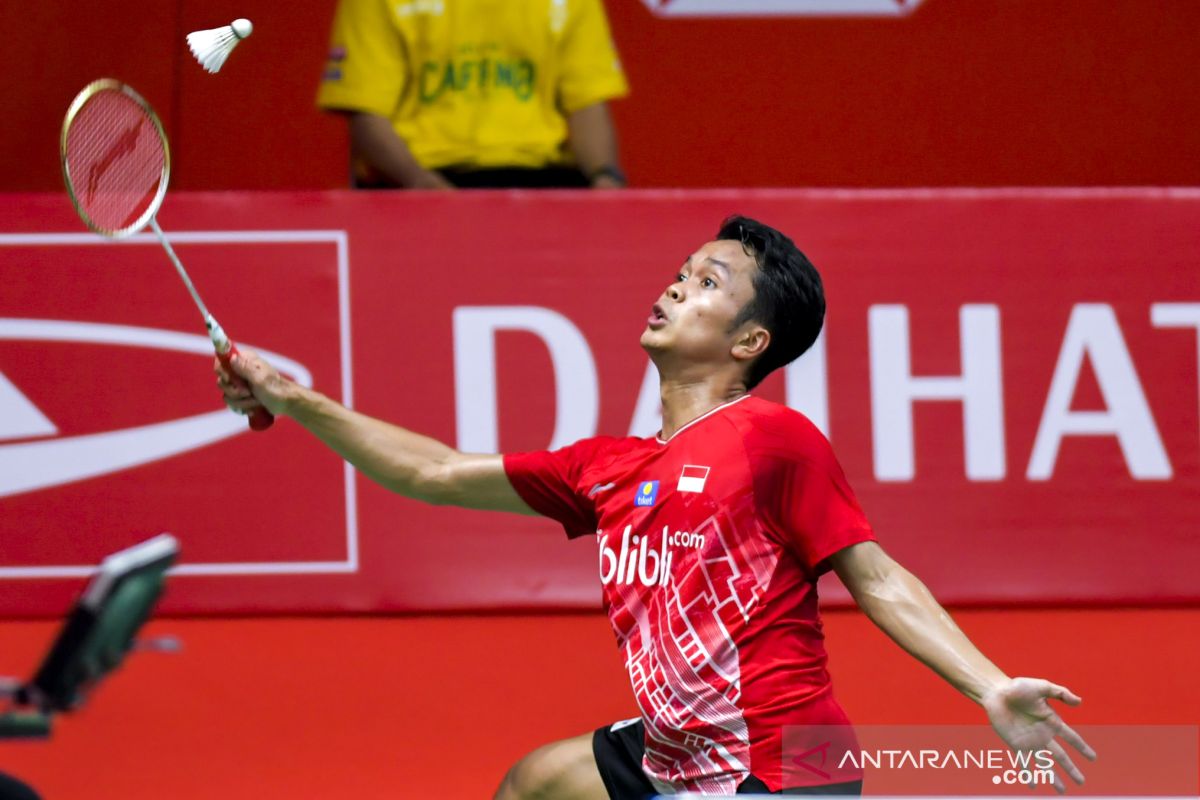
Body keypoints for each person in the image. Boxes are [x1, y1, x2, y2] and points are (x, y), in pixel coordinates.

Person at [216, 216, 1096, 797]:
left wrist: (989, 684)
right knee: (535, 785)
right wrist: (295, 400)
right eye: (683, 273)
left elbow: (876, 576)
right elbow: (433, 473)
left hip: (784, 768)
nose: (679, 287)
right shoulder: (607, 468)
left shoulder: (771, 439)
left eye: (708, 282)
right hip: (675, 756)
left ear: (751, 342)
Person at [316, 0, 629, 190]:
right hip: (423, 179)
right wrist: (419, 184)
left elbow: (587, 104)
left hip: (543, 181)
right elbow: (367, 115)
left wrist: (605, 177)